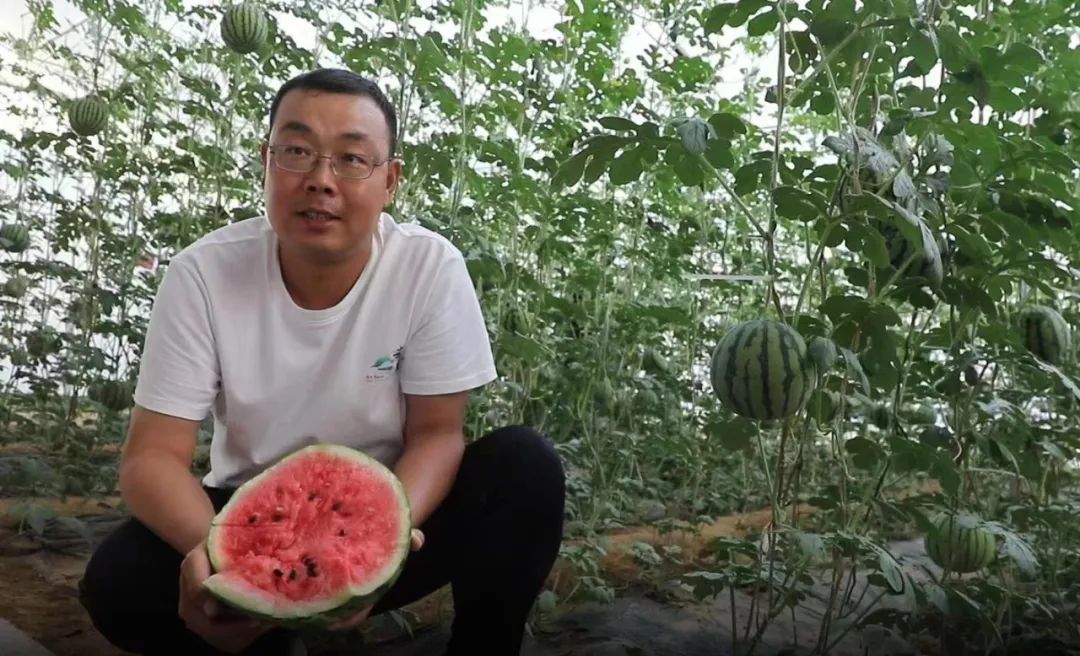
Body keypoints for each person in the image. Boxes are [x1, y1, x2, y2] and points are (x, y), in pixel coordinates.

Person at [77, 68, 566, 656]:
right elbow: (152, 457)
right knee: (119, 583)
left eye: (352, 159)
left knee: (524, 467)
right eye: (296, 152)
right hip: (245, 512)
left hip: (396, 512)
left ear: (390, 181)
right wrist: (232, 562)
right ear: (266, 162)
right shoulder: (201, 275)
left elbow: (437, 434)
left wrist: (377, 539)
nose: (320, 180)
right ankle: (266, 637)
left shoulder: (428, 269)